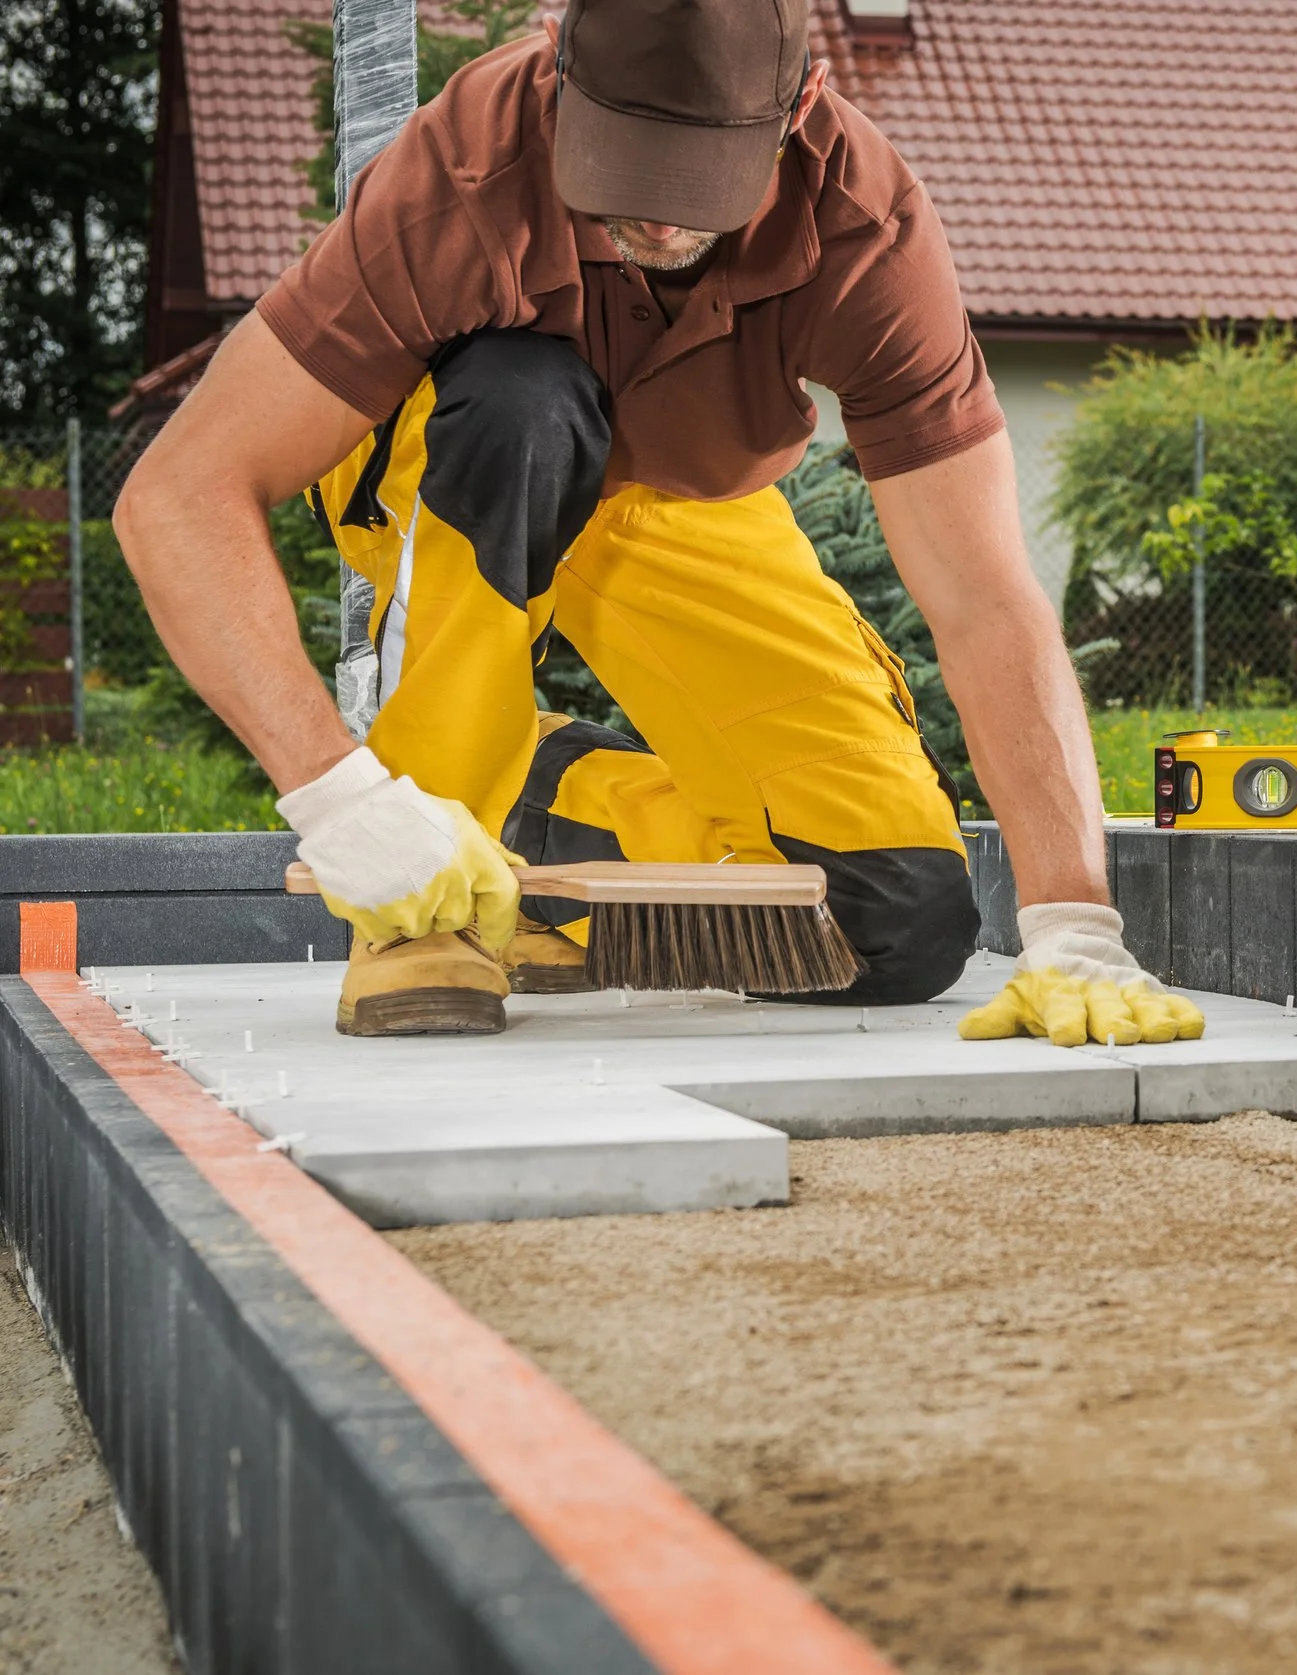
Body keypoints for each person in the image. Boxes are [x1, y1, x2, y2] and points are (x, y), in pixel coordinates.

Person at [112, 0, 1201, 1049]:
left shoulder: (866, 229)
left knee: (889, 919)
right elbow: (180, 496)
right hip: (469, 463)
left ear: (799, 109)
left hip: (687, 497)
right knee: (524, 400)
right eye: (627, 168)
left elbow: (982, 596)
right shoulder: (466, 172)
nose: (664, 218)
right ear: (558, 66)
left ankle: (527, 806)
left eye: (703, 181)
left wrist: (1073, 922)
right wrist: (342, 799)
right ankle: (425, 901)